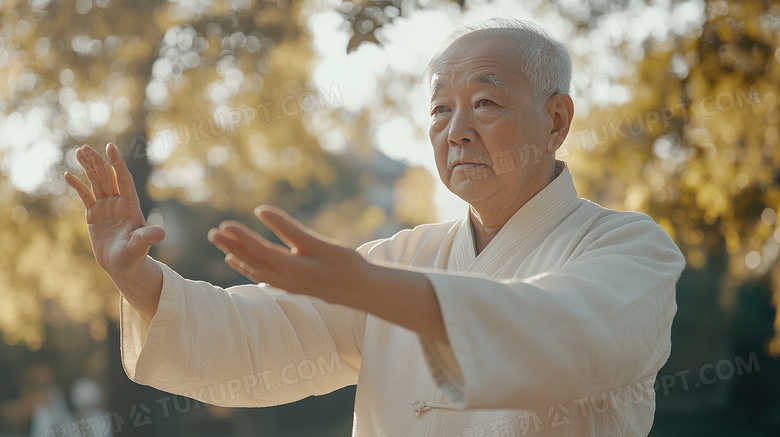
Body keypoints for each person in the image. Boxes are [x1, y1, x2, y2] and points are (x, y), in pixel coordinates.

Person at [65, 18, 685, 436]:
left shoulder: (628, 248)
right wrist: (140, 280)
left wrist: (367, 286)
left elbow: (565, 332)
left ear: (556, 121)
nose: (456, 130)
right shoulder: (403, 255)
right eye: (441, 110)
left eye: (486, 103)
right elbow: (259, 335)